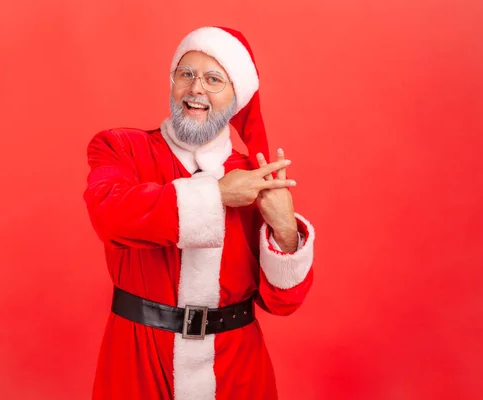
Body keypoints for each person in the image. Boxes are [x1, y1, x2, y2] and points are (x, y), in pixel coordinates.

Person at [84, 26, 315, 400]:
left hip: (237, 366)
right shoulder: (120, 147)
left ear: (235, 97)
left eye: (213, 79)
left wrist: (285, 228)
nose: (196, 89)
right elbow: (111, 217)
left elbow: (283, 303)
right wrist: (218, 194)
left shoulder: (254, 176)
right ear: (172, 82)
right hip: (138, 358)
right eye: (186, 74)